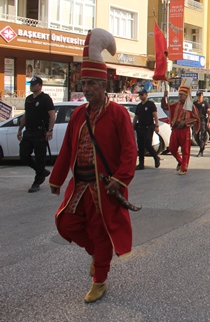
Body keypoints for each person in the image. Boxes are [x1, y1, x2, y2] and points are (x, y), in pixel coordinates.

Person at [48, 28, 137, 303]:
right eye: (83, 83)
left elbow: (129, 151)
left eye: (90, 84)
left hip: (103, 186)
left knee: (101, 232)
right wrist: (56, 178)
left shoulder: (118, 114)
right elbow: (66, 149)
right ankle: (98, 254)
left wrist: (120, 179)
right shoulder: (78, 114)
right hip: (80, 185)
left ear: (103, 86)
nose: (85, 89)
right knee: (65, 223)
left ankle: (100, 280)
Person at [17, 76, 55, 193]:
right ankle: (41, 171)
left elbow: (52, 115)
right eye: (31, 84)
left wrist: (50, 130)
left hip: (40, 132)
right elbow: (26, 115)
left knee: (40, 157)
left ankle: (37, 181)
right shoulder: (28, 99)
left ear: (39, 86)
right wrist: (20, 129)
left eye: (34, 84)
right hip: (29, 131)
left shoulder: (45, 99)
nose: (31, 86)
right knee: (24, 155)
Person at [162, 79, 200, 175]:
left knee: (185, 150)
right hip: (175, 130)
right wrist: (164, 97)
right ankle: (180, 161)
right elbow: (165, 107)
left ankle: (184, 168)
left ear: (186, 96)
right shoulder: (175, 104)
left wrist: (185, 122)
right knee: (171, 148)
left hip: (185, 130)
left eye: (181, 95)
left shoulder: (190, 106)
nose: (179, 96)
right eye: (179, 94)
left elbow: (196, 118)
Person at [133, 89, 161, 169]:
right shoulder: (139, 106)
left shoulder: (150, 104)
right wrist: (133, 125)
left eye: (142, 94)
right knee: (140, 146)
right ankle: (141, 163)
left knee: (147, 144)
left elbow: (155, 115)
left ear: (146, 95)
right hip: (140, 127)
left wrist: (156, 125)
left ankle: (156, 157)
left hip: (148, 127)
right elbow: (136, 116)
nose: (141, 96)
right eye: (140, 94)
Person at [193, 91, 210, 157]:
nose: (199, 97)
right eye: (198, 96)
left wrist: (209, 122)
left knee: (203, 136)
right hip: (196, 121)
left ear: (202, 95)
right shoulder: (194, 104)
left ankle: (201, 151)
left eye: (200, 95)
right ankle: (201, 146)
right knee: (195, 136)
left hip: (203, 121)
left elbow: (209, 113)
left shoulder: (205, 103)